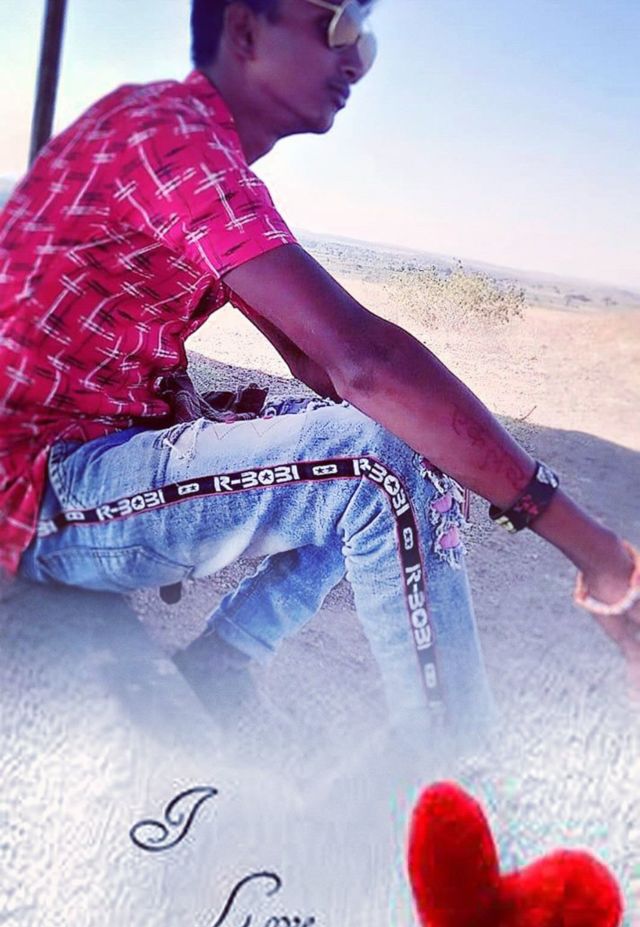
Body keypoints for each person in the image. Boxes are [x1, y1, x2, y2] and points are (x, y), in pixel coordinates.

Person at [1, 0, 638, 757]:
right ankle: (460, 790)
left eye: (365, 37)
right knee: (384, 461)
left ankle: (226, 660)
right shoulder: (169, 138)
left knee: (408, 433)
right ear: (245, 30)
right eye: (337, 26)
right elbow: (361, 362)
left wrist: (443, 442)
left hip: (79, 459)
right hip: (34, 488)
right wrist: (600, 557)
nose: (357, 59)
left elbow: (313, 360)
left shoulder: (190, 148)